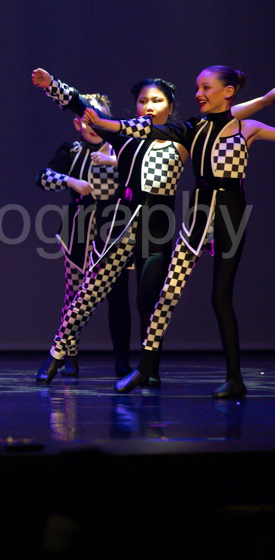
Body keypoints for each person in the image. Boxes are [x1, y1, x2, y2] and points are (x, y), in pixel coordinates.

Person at [88, 67, 275, 397]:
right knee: (167, 294)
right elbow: (145, 129)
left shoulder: (247, 127)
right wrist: (108, 125)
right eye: (197, 87)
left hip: (231, 213)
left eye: (206, 87)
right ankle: (145, 369)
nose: (198, 93)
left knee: (221, 297)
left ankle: (235, 379)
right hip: (200, 212)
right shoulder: (194, 128)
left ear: (228, 91)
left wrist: (266, 100)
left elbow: (238, 114)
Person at [35, 94, 132, 376]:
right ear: (78, 123)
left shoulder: (122, 148)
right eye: (86, 119)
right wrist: (70, 181)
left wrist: (115, 162)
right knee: (74, 294)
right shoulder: (73, 150)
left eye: (98, 118)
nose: (92, 125)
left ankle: (122, 360)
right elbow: (43, 177)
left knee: (117, 296)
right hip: (79, 226)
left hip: (115, 225)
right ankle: (69, 355)